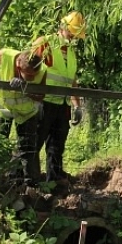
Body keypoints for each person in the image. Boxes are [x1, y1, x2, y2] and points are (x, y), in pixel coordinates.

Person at [0, 48, 47, 185]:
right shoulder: (5, 56)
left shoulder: (42, 69)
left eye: (34, 75)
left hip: (26, 113)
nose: (33, 78)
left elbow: (41, 96)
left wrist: (25, 87)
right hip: (3, 108)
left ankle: (30, 186)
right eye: (28, 75)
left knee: (28, 149)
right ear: (18, 66)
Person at [31, 11, 86, 184]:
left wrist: (76, 105)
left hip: (62, 106)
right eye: (73, 33)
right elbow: (28, 69)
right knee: (34, 145)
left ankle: (53, 182)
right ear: (64, 28)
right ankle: (27, 182)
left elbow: (72, 80)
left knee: (56, 147)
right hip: (43, 103)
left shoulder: (70, 52)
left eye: (76, 35)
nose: (74, 37)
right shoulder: (45, 43)